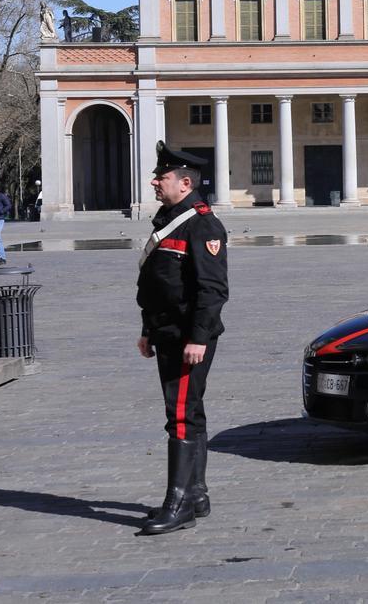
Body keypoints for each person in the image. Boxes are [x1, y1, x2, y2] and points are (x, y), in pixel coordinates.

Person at [135, 141, 228, 536]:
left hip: (189, 338)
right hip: (168, 332)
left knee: (180, 415)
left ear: (185, 182)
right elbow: (157, 283)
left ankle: (178, 504)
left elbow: (212, 290)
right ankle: (197, 493)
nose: (156, 182)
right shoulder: (168, 219)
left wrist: (198, 338)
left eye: (163, 177)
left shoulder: (203, 225)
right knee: (191, 412)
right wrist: (147, 328)